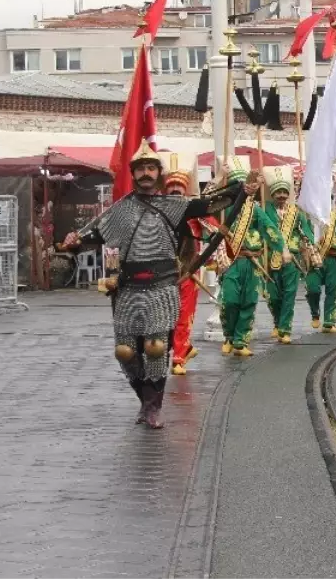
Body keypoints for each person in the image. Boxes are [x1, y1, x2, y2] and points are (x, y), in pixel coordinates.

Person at [61, 143, 248, 428]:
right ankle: (145, 399)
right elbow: (94, 234)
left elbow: (211, 204)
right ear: (133, 173)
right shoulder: (120, 210)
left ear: (158, 173)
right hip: (128, 287)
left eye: (151, 168)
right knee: (125, 351)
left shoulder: (174, 206)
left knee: (156, 347)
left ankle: (153, 406)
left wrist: (240, 190)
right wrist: (74, 242)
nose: (146, 173)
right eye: (141, 169)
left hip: (162, 286)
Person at [217, 157, 287, 357]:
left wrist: (283, 249)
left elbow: (269, 228)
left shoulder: (255, 209)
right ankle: (229, 336)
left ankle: (240, 340)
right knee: (229, 301)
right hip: (232, 261)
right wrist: (219, 178)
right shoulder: (223, 206)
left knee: (249, 301)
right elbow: (205, 212)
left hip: (252, 262)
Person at [161, 152, 208, 377]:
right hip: (162, 275)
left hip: (189, 274)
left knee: (182, 315)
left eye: (179, 189)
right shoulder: (157, 214)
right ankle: (184, 347)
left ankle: (178, 357)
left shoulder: (194, 214)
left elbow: (213, 233)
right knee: (165, 317)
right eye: (172, 189)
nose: (175, 192)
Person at [262, 166, 314, 344]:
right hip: (270, 258)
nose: (282, 196)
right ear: (273, 193)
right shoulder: (264, 207)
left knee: (289, 294)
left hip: (292, 259)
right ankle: (278, 322)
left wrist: (308, 244)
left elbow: (306, 232)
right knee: (273, 296)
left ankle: (285, 329)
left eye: (285, 192)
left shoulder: (296, 212)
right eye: (278, 192)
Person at [307, 185, 336, 334]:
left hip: (333, 260)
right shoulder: (310, 216)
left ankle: (329, 322)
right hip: (315, 258)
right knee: (313, 289)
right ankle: (315, 313)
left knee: (332, 291)